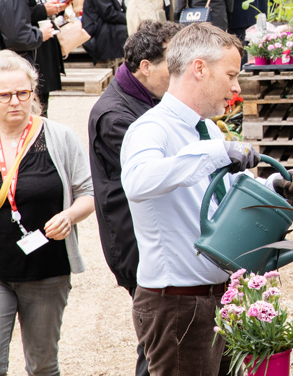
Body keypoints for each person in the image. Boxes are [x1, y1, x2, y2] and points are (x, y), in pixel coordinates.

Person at [121, 24, 293, 375]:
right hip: (177, 304)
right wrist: (215, 153)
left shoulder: (203, 128)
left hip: (217, 298)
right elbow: (138, 182)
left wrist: (274, 188)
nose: (236, 87)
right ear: (199, 68)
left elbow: (226, 195)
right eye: (231, 74)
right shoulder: (152, 128)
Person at [0, 50, 95, 375]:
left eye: (23, 93)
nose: (15, 102)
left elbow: (89, 193)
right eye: (5, 95)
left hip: (47, 270)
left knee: (43, 365)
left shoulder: (59, 138)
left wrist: (70, 216)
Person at [88, 21, 182, 376]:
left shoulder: (143, 99)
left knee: (164, 336)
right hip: (135, 243)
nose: (179, 76)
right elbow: (160, 173)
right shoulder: (116, 115)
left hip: (150, 237)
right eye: (172, 67)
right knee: (159, 339)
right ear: (146, 67)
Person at [14, 0, 67, 118]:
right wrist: (45, 10)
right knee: (36, 100)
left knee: (44, 101)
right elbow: (23, 12)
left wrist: (52, 7)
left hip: (46, 39)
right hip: (35, 42)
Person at [82, 0, 129, 67]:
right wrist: (128, 18)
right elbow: (108, 14)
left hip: (107, 26)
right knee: (127, 30)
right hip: (97, 30)